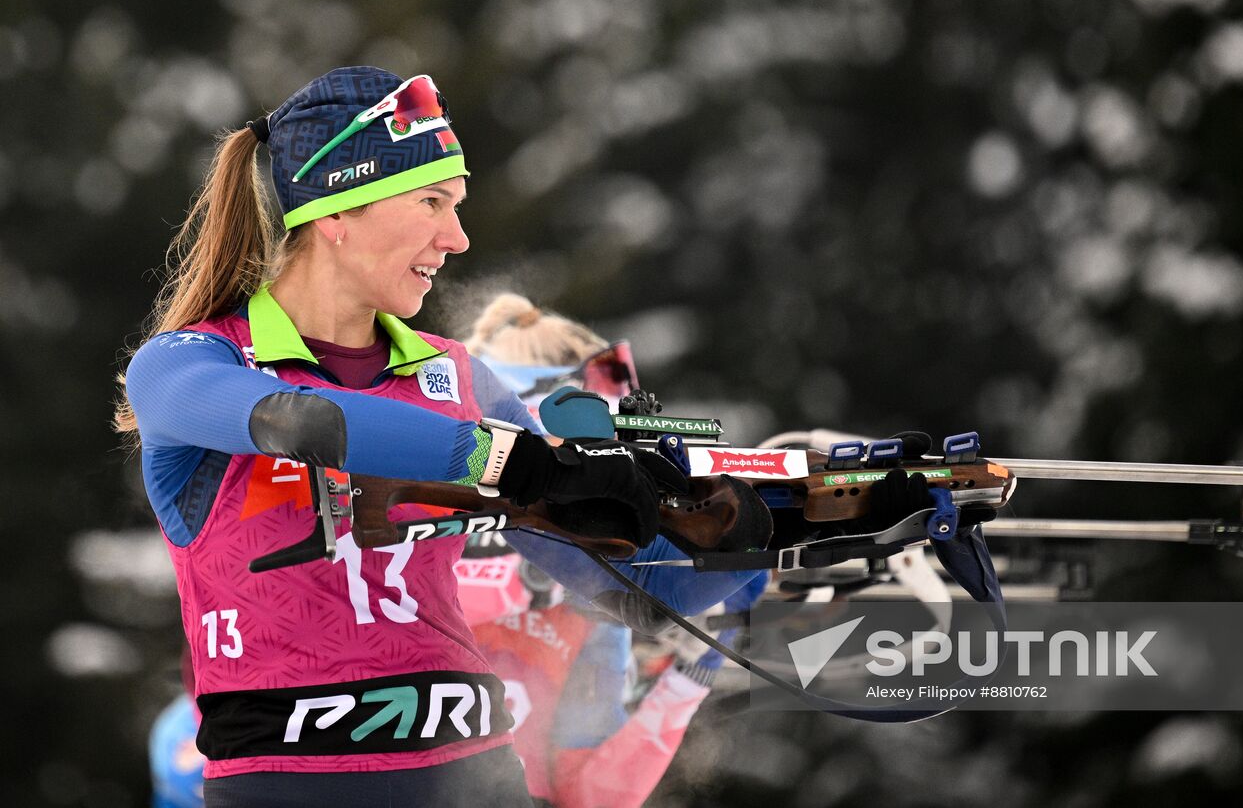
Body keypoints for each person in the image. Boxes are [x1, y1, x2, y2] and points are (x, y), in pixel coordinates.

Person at [116, 67, 760, 807]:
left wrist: (748, 526)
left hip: (476, 779)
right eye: (430, 202)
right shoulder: (190, 365)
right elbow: (306, 421)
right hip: (289, 785)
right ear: (336, 211)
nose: (455, 238)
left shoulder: (457, 375)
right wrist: (515, 461)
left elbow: (639, 587)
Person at [460, 293, 767, 807]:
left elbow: (591, 796)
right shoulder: (427, 496)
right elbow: (381, 607)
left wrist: (688, 680)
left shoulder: (594, 585)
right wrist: (534, 583)